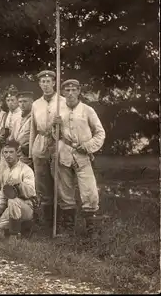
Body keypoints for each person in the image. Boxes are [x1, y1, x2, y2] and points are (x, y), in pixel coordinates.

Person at [53, 79, 106, 237]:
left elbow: (100, 133)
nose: (70, 93)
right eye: (67, 90)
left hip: (83, 155)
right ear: (62, 93)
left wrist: (88, 146)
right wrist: (54, 126)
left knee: (89, 192)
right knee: (65, 192)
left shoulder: (87, 110)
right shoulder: (59, 111)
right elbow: (54, 136)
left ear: (78, 91)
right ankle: (68, 230)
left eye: (73, 90)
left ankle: (92, 231)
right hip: (64, 153)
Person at [29, 70, 66, 230]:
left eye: (48, 81)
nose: (45, 84)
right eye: (42, 82)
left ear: (54, 83)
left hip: (58, 144)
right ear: (39, 84)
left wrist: (61, 123)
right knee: (43, 184)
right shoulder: (36, 104)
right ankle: (47, 223)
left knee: (61, 182)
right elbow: (32, 129)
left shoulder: (63, 102)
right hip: (40, 144)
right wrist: (32, 150)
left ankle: (63, 223)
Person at [0, 140, 37, 241]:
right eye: (5, 152)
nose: (8, 155)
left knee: (13, 201)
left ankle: (15, 235)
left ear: (17, 152)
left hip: (27, 207)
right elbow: (3, 197)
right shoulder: (5, 172)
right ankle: (10, 231)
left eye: (11, 152)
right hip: (12, 209)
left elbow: (31, 192)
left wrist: (19, 184)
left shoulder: (26, 170)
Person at [10, 91, 34, 167]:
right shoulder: (17, 119)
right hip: (16, 155)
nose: (22, 104)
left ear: (31, 102)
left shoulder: (35, 118)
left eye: (25, 101)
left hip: (28, 155)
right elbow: (12, 137)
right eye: (20, 102)